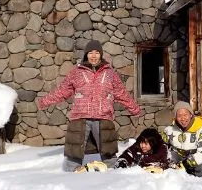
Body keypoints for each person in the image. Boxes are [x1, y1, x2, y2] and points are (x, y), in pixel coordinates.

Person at [37, 40, 141, 172]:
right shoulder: (76, 72)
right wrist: (45, 101)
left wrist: (134, 108)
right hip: (80, 118)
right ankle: (72, 176)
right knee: (74, 152)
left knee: (108, 152)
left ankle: (113, 177)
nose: (94, 55)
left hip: (103, 117)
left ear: (101, 55)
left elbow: (121, 93)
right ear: (86, 54)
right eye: (90, 52)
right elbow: (62, 91)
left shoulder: (110, 73)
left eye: (97, 52)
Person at [162, 101, 202, 177]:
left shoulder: (200, 130)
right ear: (175, 117)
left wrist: (186, 164)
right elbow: (161, 145)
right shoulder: (169, 130)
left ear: (191, 115)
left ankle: (192, 177)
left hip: (194, 157)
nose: (182, 118)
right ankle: (174, 175)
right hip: (177, 156)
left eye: (185, 114)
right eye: (179, 115)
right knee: (164, 161)